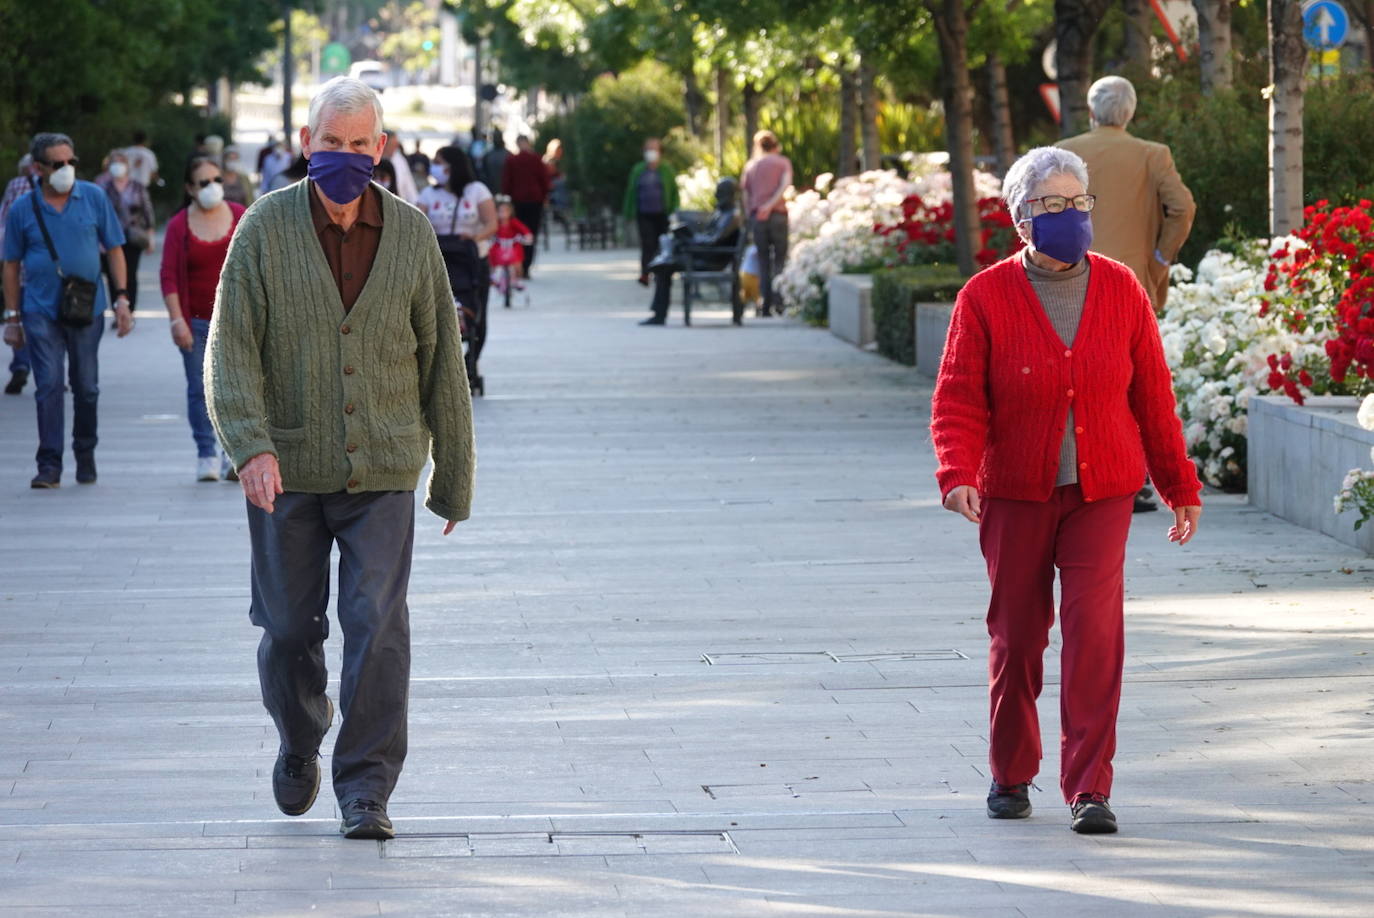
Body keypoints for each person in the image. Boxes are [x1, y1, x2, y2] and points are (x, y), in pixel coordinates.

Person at [205, 77, 475, 841]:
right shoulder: (262, 228)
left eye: (360, 146)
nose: (346, 158)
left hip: (384, 468)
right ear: (306, 145)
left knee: (376, 625)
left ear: (380, 150)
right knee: (290, 628)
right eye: (332, 144)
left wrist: (452, 477)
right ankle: (300, 736)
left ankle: (366, 788)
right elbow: (231, 351)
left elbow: (441, 363)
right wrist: (249, 444)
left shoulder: (414, 234)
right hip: (285, 470)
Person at [929, 146, 1202, 836]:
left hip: (1101, 490)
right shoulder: (984, 296)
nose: (1070, 216)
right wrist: (957, 472)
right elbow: (959, 398)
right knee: (1018, 637)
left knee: (1094, 635)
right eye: (1052, 205)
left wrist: (1179, 484)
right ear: (1021, 219)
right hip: (1016, 489)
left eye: (1078, 203)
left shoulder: (1120, 289)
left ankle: (1089, 788)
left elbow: (1153, 398)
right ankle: (1011, 771)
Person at [1058, 76, 1196, 514]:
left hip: (1069, 282)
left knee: (1075, 379)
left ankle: (1076, 473)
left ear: (1091, 109)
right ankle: (1130, 480)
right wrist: (1160, 257)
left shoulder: (1066, 153)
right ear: (1130, 112)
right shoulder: (1153, 155)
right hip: (1133, 283)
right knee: (1132, 383)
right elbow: (1183, 208)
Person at [2, 132, 135, 489]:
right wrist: (12, 317)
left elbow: (116, 248)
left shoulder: (92, 197)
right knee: (47, 386)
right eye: (57, 164)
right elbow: (11, 264)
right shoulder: (22, 208)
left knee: (86, 386)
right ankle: (49, 464)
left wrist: (123, 299)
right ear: (38, 168)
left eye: (70, 162)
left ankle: (85, 453)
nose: (66, 169)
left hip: (87, 308)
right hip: (40, 309)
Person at [159, 157, 246, 482]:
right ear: (190, 189)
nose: (213, 187)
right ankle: (206, 453)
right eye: (204, 182)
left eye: (216, 180)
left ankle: (231, 454)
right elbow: (168, 274)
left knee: (235, 389)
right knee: (199, 389)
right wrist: (176, 319)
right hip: (194, 321)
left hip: (235, 320)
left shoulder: (240, 216)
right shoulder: (179, 225)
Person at [418, 146, 496, 393]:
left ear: (452, 165)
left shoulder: (477, 191)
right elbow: (417, 223)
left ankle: (469, 363)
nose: (435, 167)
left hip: (473, 261)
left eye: (439, 162)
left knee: (476, 313)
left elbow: (491, 222)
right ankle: (442, 367)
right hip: (439, 262)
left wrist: (473, 238)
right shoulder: (429, 195)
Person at [640, 178, 741, 327]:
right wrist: (691, 237)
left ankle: (659, 314)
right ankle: (664, 259)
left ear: (729, 193)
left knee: (664, 267)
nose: (716, 195)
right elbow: (710, 236)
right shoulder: (722, 213)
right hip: (704, 254)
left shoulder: (732, 215)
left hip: (712, 260)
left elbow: (714, 241)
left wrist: (691, 240)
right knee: (667, 241)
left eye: (719, 192)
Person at [96, 150, 156, 317]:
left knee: (131, 274)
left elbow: (147, 211)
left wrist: (150, 236)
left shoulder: (137, 186)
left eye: (121, 161)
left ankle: (130, 310)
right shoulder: (102, 186)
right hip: (108, 238)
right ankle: (117, 310)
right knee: (112, 274)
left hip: (132, 236)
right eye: (114, 162)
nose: (118, 165)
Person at [740, 130, 792, 317]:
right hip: (778, 215)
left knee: (763, 260)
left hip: (757, 218)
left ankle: (764, 304)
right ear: (775, 145)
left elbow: (745, 193)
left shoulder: (751, 165)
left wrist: (753, 212)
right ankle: (780, 302)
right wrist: (770, 206)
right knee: (780, 259)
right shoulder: (782, 163)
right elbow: (785, 185)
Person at [0, 154, 39, 395]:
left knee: (19, 317)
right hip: (50, 271)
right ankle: (52, 370)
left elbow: (4, 222)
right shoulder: (62, 189)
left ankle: (21, 364)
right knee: (52, 321)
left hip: (19, 266)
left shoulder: (15, 186)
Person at [622, 138, 678, 286]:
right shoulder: (638, 170)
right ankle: (645, 273)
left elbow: (674, 192)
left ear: (660, 152)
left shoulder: (667, 170)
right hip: (644, 213)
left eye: (654, 149)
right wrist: (628, 213)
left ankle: (662, 274)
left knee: (663, 244)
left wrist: (674, 211)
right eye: (648, 149)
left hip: (662, 214)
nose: (651, 153)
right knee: (647, 244)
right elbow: (631, 192)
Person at [500, 137, 551, 277]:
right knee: (531, 233)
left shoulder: (512, 160)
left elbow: (506, 182)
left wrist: (506, 199)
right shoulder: (536, 159)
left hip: (517, 201)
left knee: (517, 233)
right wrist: (545, 195)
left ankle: (519, 264)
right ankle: (526, 265)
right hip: (535, 201)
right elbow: (545, 180)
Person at [489, 196, 533, 296]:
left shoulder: (513, 222)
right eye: (500, 211)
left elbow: (524, 230)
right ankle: (494, 277)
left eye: (505, 211)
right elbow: (490, 231)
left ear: (510, 212)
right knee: (492, 256)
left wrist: (527, 236)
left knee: (518, 262)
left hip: (513, 245)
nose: (503, 214)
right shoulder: (496, 223)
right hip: (499, 245)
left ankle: (517, 279)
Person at [382, 131, 418, 204]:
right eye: (392, 145)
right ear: (383, 144)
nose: (395, 148)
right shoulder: (374, 159)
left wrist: (415, 204)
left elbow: (409, 186)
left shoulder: (399, 159)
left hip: (399, 204)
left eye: (396, 145)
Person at [480, 130, 508, 194]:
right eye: (495, 137)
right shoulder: (487, 155)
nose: (496, 139)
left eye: (498, 137)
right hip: (491, 189)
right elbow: (483, 174)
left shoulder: (509, 155)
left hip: (505, 190)